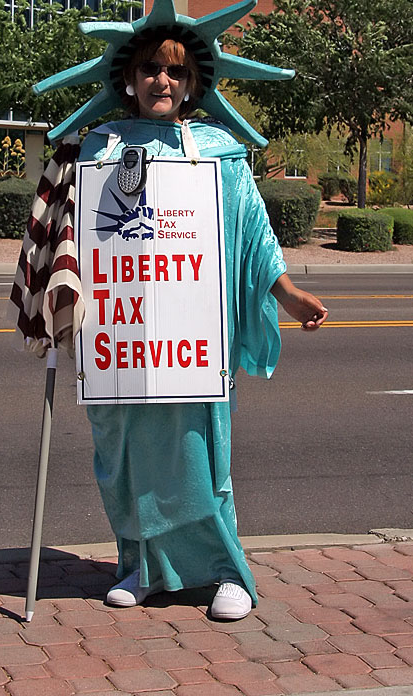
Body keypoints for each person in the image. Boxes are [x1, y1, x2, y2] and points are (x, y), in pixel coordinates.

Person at [75, 35, 328, 620]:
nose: (161, 80)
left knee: (199, 453)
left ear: (191, 83)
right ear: (129, 78)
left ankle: (223, 572)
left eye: (174, 70)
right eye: (150, 69)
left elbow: (252, 232)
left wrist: (285, 292)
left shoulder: (217, 150)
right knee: (130, 451)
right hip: (124, 338)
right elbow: (74, 232)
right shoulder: (98, 148)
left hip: (191, 338)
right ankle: (141, 566)